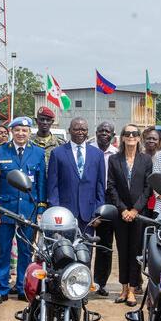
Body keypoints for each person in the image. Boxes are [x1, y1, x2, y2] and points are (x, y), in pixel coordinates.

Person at [0, 117, 47, 304]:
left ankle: (23, 287)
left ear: (30, 133)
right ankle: (2, 289)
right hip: (5, 210)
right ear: (12, 131)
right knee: (3, 251)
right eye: (18, 130)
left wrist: (40, 209)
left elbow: (41, 184)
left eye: (25, 130)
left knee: (25, 251)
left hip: (28, 210)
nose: (21, 133)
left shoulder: (38, 153)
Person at [47, 118, 108, 293]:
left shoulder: (96, 155)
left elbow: (99, 186)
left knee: (85, 253)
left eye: (83, 129)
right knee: (63, 251)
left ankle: (82, 289)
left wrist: (98, 212)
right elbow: (53, 186)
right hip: (65, 215)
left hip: (88, 215)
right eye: (76, 129)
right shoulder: (58, 153)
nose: (80, 132)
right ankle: (63, 287)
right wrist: (56, 212)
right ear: (69, 130)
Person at [106, 124, 151, 306]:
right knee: (122, 251)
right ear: (122, 137)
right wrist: (123, 209)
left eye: (134, 134)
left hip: (138, 214)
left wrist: (135, 210)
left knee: (135, 251)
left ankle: (133, 289)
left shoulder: (146, 160)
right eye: (127, 133)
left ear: (139, 138)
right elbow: (111, 186)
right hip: (121, 214)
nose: (131, 136)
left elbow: (148, 188)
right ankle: (123, 289)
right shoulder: (114, 160)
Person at [92, 121, 118, 292]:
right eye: (101, 130)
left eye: (107, 131)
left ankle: (100, 283)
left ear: (112, 135)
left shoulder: (117, 154)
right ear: (96, 132)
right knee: (83, 242)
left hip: (109, 199)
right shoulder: (88, 150)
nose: (104, 133)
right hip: (89, 198)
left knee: (104, 245)